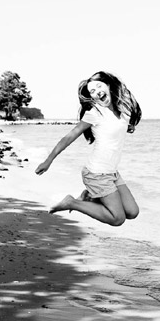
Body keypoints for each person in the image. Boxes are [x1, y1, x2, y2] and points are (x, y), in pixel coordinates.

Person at [34, 71, 142, 226]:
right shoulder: (95, 113)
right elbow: (69, 137)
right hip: (96, 174)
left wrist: (129, 126)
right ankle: (72, 203)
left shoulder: (124, 110)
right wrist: (48, 161)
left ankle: (89, 197)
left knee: (132, 212)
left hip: (112, 172)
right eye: (92, 91)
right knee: (118, 219)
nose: (97, 92)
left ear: (108, 85)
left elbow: (122, 126)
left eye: (99, 86)